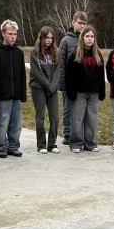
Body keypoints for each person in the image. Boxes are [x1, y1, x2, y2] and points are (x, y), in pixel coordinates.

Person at [0, 20, 27, 158]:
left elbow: (22, 75)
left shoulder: (19, 53)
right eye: (10, 34)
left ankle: (13, 146)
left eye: (15, 34)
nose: (13, 37)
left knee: (16, 123)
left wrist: (22, 94)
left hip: (16, 94)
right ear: (3, 33)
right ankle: (2, 146)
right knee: (2, 122)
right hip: (3, 95)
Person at [65, 25, 105, 153]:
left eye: (92, 36)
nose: (90, 39)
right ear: (82, 37)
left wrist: (102, 91)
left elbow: (101, 75)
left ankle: (89, 143)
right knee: (78, 118)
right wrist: (71, 91)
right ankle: (76, 143)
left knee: (91, 119)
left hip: (93, 93)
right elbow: (69, 75)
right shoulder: (75, 54)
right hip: (79, 93)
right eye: (87, 36)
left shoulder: (98, 54)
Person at [29, 26, 61, 154]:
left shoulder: (55, 52)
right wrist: (48, 85)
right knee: (40, 117)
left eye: (51, 38)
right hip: (38, 88)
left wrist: (53, 86)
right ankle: (41, 144)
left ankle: (52, 144)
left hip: (52, 89)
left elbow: (58, 70)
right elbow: (36, 72)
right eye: (47, 37)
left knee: (55, 117)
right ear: (41, 37)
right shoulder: (34, 52)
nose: (49, 40)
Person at [58, 11, 87, 145]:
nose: (82, 26)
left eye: (84, 23)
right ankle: (67, 133)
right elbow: (61, 64)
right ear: (73, 22)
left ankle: (79, 133)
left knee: (80, 110)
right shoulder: (65, 41)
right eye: (80, 23)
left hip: (82, 83)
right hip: (68, 82)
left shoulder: (87, 39)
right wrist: (63, 83)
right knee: (67, 109)